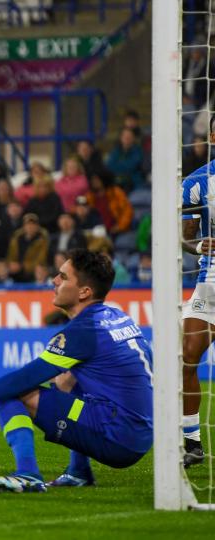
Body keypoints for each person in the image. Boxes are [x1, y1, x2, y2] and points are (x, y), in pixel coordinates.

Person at [0, 249, 152, 492]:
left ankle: (27, 474)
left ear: (85, 292)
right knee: (65, 378)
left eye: (63, 277)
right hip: (140, 432)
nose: (54, 281)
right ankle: (78, 471)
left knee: (11, 392)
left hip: (116, 435)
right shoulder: (117, 316)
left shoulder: (85, 330)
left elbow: (27, 377)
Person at [179, 146, 215, 467]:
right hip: (211, 281)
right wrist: (199, 245)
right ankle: (192, 443)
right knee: (188, 354)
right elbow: (183, 237)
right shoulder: (198, 182)